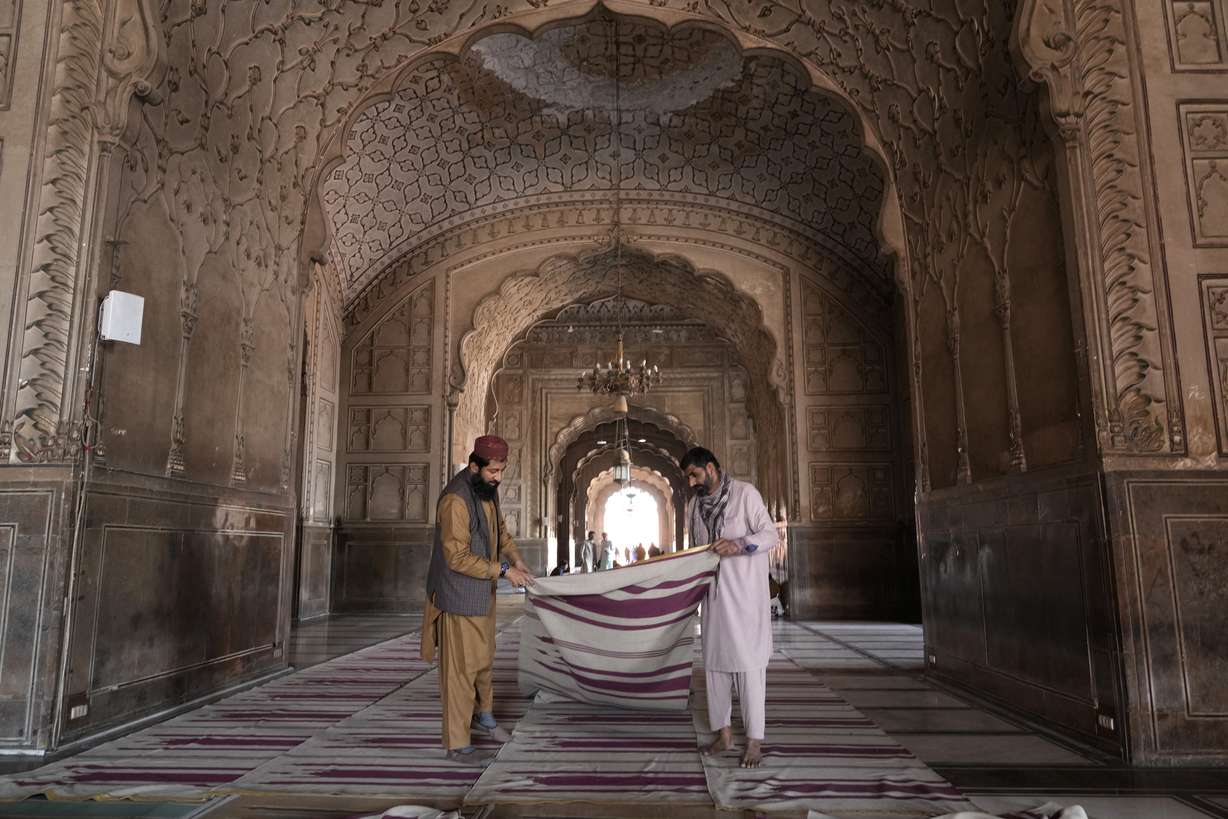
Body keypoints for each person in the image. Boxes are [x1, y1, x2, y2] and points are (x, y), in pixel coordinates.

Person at [420, 435, 536, 766]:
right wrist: (502, 570)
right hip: (457, 596)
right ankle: (456, 742)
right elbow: (456, 557)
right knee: (460, 670)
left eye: (501, 470)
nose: (498, 477)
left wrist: (516, 558)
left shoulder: (486, 490)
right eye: (494, 470)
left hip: (482, 593)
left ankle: (484, 718)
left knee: (484, 659)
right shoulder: (455, 500)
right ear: (474, 466)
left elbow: (500, 531)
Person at [681, 446, 776, 768]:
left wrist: (738, 544)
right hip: (714, 599)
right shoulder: (694, 507)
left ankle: (754, 741)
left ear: (710, 468)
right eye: (688, 477)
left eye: (694, 474)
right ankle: (723, 734)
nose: (692, 482)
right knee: (716, 666)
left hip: (746, 599)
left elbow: (770, 535)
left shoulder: (745, 494)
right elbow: (694, 551)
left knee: (749, 668)